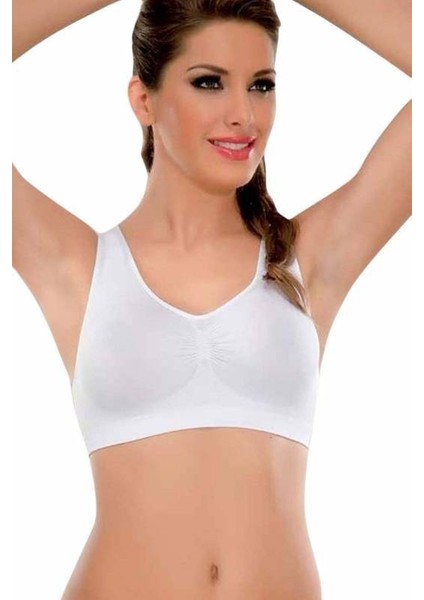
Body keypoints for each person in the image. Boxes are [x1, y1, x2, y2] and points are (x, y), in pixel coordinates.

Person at [12, 0, 412, 598]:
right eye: (209, 82)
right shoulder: (76, 267)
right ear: (143, 100)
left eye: (261, 85)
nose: (243, 114)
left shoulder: (306, 262)